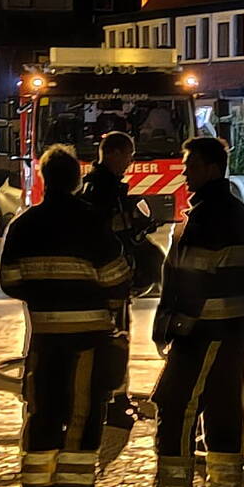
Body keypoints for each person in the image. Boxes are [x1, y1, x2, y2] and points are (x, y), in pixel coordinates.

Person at [0, 144, 130, 487]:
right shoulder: (93, 222)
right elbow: (118, 279)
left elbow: (9, 281)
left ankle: (37, 484)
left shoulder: (23, 224)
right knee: (82, 414)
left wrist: (44, 294)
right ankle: (74, 486)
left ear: (44, 179)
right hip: (90, 339)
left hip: (44, 337)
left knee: (42, 411)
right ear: (76, 180)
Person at [151, 137, 244, 487]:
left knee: (177, 407)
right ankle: (224, 485)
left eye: (191, 167)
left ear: (212, 168)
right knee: (223, 410)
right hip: (229, 333)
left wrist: (172, 325)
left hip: (202, 333)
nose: (184, 174)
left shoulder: (208, 218)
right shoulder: (240, 216)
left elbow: (189, 281)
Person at [79, 131, 160, 469]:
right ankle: (114, 400)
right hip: (110, 283)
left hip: (116, 281)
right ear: (111, 153)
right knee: (115, 342)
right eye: (127, 155)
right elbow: (106, 236)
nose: (130, 162)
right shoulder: (102, 190)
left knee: (119, 341)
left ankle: (116, 397)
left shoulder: (105, 188)